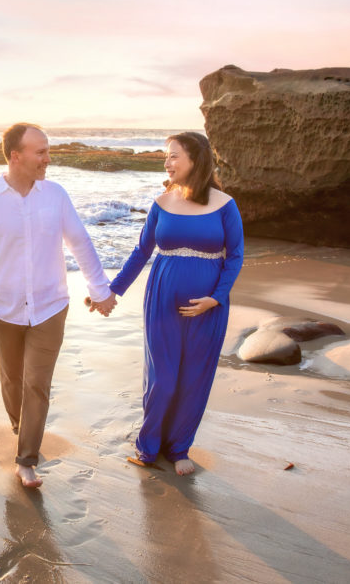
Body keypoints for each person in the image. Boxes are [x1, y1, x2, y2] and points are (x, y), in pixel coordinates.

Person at [0, 122, 117, 488]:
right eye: (41, 152)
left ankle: (26, 459)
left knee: (37, 383)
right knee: (12, 380)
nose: (48, 159)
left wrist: (101, 290)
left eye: (48, 151)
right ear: (16, 157)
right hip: (3, 308)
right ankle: (23, 429)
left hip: (51, 305)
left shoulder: (56, 195)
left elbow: (80, 242)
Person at [108, 131, 243, 475]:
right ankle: (148, 446)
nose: (166, 162)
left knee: (193, 378)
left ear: (195, 161)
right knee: (163, 377)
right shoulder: (161, 203)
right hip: (162, 301)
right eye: (166, 157)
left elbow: (235, 256)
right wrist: (113, 290)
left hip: (208, 307)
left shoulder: (225, 205)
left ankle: (179, 448)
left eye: (173, 156)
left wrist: (215, 299)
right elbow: (141, 252)